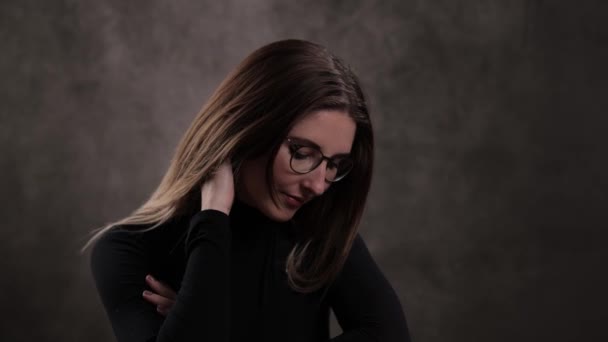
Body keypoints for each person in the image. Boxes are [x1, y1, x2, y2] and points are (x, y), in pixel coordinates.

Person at [83, 39, 411, 342]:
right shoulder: (126, 249)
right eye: (301, 153)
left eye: (334, 164)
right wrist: (212, 216)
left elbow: (390, 336)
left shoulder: (318, 232)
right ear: (247, 130)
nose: (318, 185)